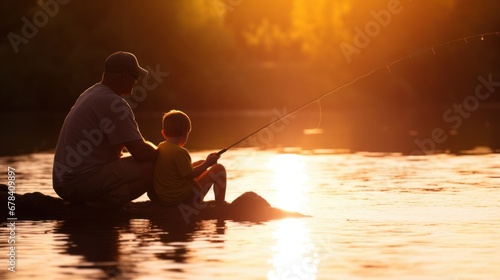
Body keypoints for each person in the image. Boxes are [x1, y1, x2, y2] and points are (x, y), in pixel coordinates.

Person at [52, 51, 158, 208]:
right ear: (124, 76)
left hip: (64, 181)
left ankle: (102, 201)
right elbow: (141, 152)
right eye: (135, 76)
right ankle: (101, 205)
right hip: (76, 182)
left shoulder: (91, 92)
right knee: (151, 169)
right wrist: (168, 154)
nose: (136, 81)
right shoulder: (113, 102)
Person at [148, 110, 227, 207]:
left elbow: (175, 171)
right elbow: (190, 175)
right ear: (186, 133)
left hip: (165, 196)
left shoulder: (161, 147)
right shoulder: (180, 152)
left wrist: (204, 162)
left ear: (163, 133)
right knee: (219, 168)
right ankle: (220, 205)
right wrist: (207, 163)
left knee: (200, 163)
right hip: (182, 198)